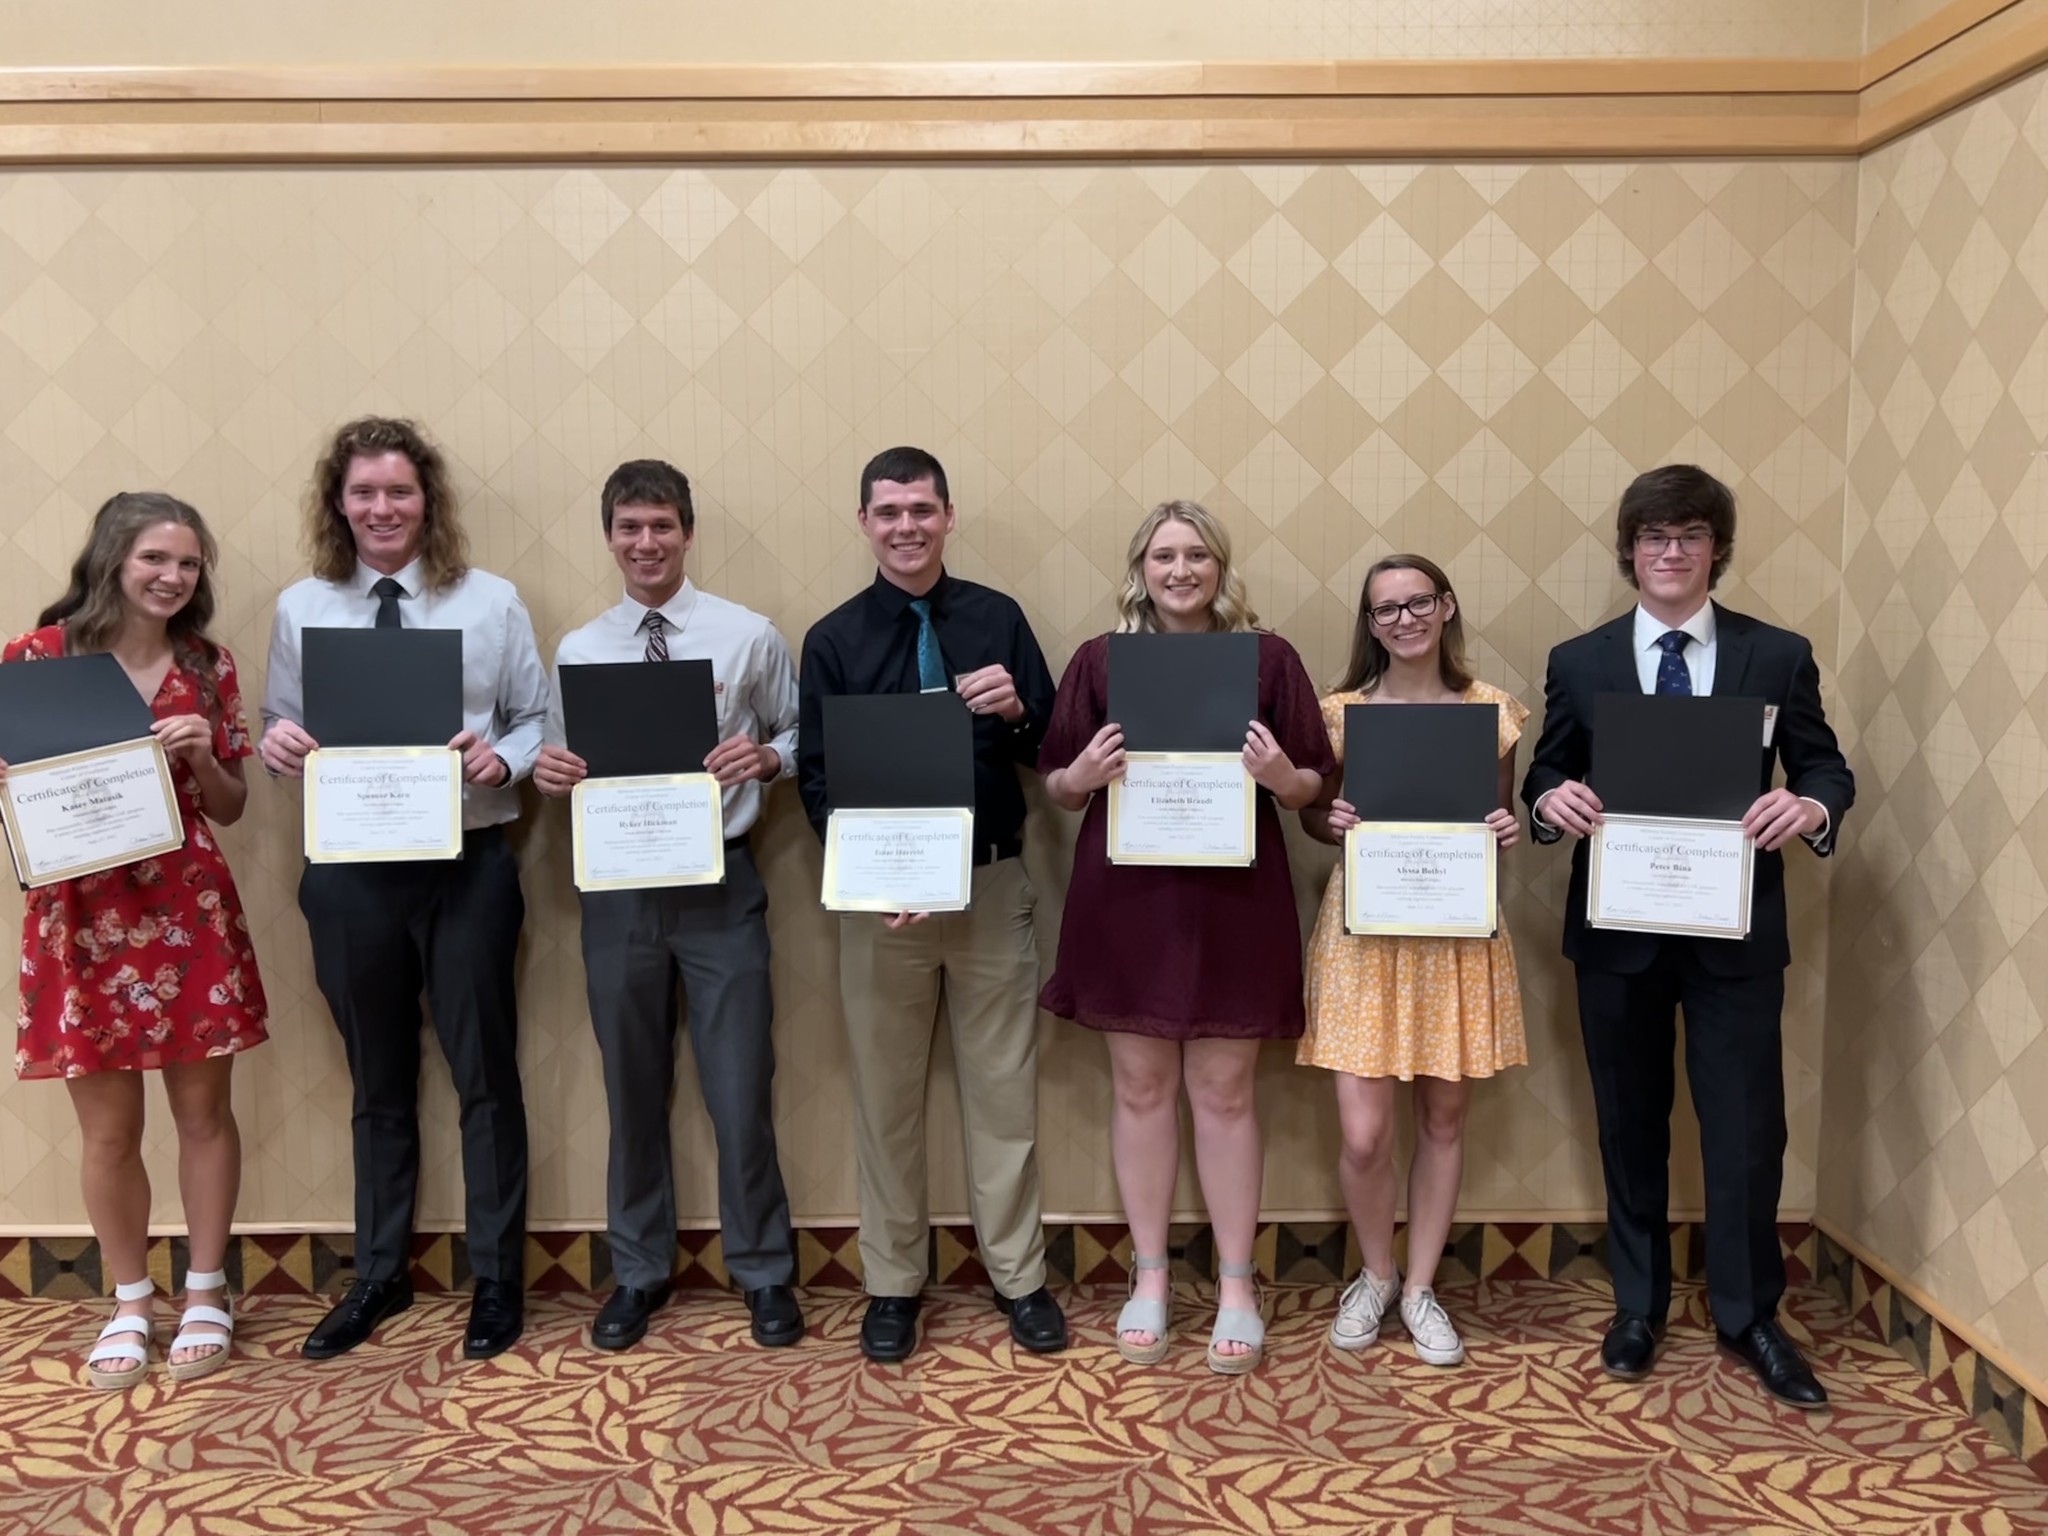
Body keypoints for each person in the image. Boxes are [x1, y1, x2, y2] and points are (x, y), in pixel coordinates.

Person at [1521, 464, 1853, 1410]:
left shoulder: (1776, 655)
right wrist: (1551, 800)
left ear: (1717, 550)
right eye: (1654, 537)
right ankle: (1639, 1306)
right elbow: (1545, 771)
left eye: (1691, 536)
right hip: (1617, 932)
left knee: (1746, 1129)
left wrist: (1809, 808)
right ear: (1630, 552)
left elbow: (1826, 770)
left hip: (1733, 935)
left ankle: (1750, 1316)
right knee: (1629, 1121)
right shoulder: (1578, 661)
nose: (1671, 552)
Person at [259, 416, 548, 1363]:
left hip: (467, 865)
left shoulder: (490, 601)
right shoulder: (302, 607)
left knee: (484, 1074)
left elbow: (533, 720)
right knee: (377, 1078)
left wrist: (501, 761)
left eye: (399, 491)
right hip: (350, 873)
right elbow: (279, 722)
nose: (382, 508)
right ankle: (380, 1275)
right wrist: (277, 743)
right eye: (364, 493)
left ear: (428, 501)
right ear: (339, 504)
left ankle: (497, 1278)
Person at [1038, 500, 1333, 1376]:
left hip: (1234, 900)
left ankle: (1238, 1285)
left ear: (1220, 567)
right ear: (1141, 568)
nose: (1180, 570)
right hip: (1128, 901)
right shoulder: (1100, 661)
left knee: (1226, 1091)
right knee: (1139, 1088)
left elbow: (1315, 784)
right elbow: (1057, 783)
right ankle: (1152, 1275)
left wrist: (1281, 776)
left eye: (1197, 554)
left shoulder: (1268, 660)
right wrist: (1080, 774)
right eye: (1164, 555)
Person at [797, 445, 1066, 1364]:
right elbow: (818, 780)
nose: (906, 526)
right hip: (880, 906)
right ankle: (892, 1283)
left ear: (948, 516)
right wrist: (873, 878)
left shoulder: (998, 618)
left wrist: (1018, 710)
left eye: (921, 509)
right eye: (888, 511)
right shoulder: (832, 640)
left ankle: (1019, 1278)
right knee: (885, 1100)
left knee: (1004, 1096)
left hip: (991, 885)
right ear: (864, 523)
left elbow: (1052, 750)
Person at [533, 459, 804, 1352]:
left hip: (722, 884)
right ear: (609, 538)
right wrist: (550, 773)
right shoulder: (580, 650)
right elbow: (558, 759)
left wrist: (770, 759)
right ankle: (639, 1270)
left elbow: (800, 729)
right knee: (632, 1086)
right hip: (618, 892)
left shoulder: (747, 635)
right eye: (629, 528)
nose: (645, 543)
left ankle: (763, 1271)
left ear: (687, 532)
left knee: (740, 1089)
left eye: (661, 526)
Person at [4, 492, 268, 1388]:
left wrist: (200, 755)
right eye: (156, 558)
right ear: (113, 557)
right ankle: (128, 1301)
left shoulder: (208, 665)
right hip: (79, 917)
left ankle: (206, 1291)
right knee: (109, 1132)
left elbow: (231, 806)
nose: (173, 576)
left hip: (188, 910)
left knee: (204, 1116)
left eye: (189, 563)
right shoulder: (34, 658)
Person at [1297, 554, 1527, 1368]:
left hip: (1455, 934)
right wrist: (1327, 821)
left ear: (1446, 607)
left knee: (1443, 1120)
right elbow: (1312, 816)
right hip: (1364, 935)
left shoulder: (1491, 711)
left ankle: (1422, 1287)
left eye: (1418, 602)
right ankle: (1377, 1274)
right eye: (1386, 609)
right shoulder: (1338, 713)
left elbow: (1499, 818)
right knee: (1365, 1136)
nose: (1404, 619)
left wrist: (1505, 830)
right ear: (1370, 623)